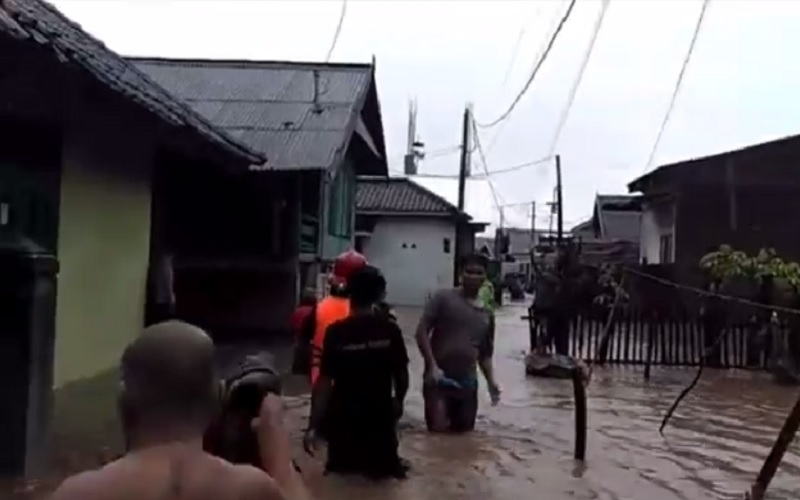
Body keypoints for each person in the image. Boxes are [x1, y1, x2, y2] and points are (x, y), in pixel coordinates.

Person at [49, 321, 308, 500]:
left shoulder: (80, 493)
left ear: (123, 401)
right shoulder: (249, 488)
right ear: (217, 399)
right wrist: (278, 454)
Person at [304, 265, 410, 480]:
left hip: (343, 422)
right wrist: (398, 401)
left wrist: (312, 426)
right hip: (380, 422)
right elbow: (402, 375)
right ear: (380, 294)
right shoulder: (390, 330)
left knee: (340, 480)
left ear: (348, 292)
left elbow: (324, 384)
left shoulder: (336, 333)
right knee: (386, 481)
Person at [415, 253, 500, 433]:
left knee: (464, 438)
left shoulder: (486, 314)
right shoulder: (443, 299)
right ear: (461, 274)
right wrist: (431, 366)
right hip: (439, 378)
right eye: (469, 272)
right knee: (437, 435)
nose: (473, 277)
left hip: (467, 382)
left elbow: (484, 354)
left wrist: (492, 382)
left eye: (479, 273)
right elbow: (421, 332)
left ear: (485, 277)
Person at [302, 250, 368, 386]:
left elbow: (304, 342)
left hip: (322, 380)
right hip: (357, 382)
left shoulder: (320, 308)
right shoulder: (371, 311)